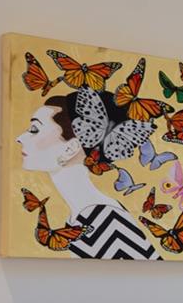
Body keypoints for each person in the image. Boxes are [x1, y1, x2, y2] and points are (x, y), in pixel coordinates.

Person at [17, 88, 161, 260]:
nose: (19, 138)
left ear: (71, 148)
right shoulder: (85, 214)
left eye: (34, 129)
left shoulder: (102, 218)